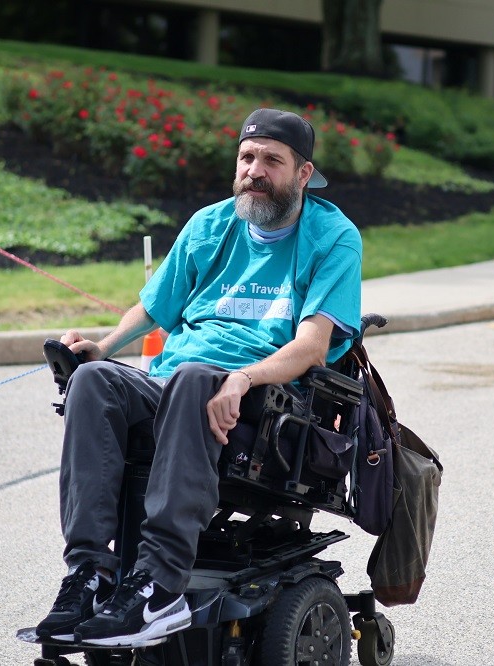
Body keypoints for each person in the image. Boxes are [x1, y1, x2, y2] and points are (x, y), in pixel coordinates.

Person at [32, 108, 362, 648]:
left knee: (191, 376)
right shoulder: (210, 224)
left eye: (272, 161)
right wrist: (103, 348)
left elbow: (312, 346)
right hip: (179, 382)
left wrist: (242, 379)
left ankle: (159, 587)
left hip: (264, 398)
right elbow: (153, 308)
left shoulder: (334, 237)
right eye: (247, 157)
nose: (255, 170)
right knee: (94, 383)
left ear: (303, 174)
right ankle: (87, 575)